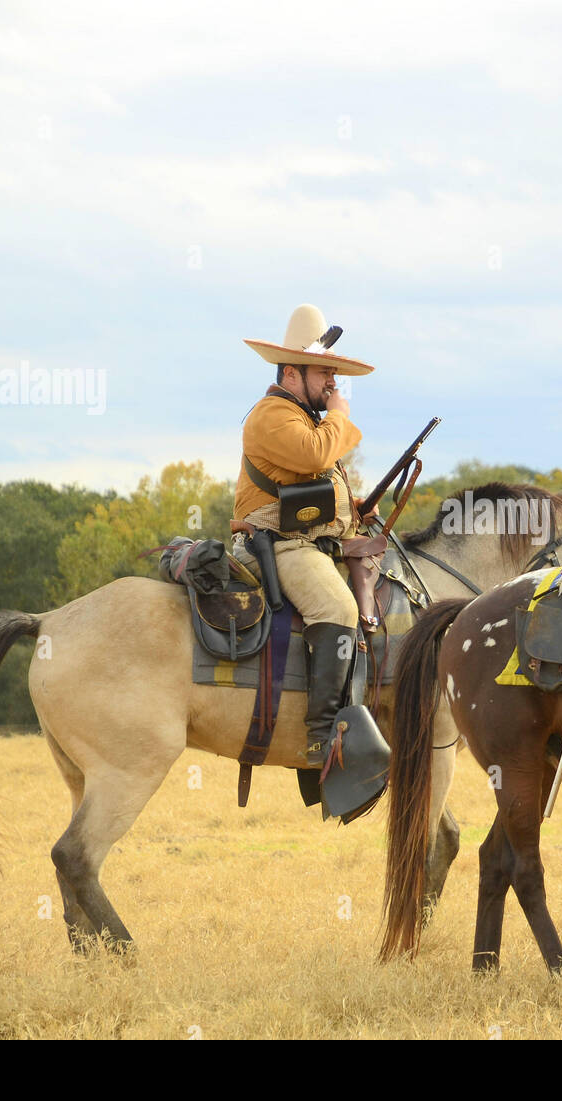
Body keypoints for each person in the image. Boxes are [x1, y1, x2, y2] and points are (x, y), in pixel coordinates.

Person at [234, 304, 373, 766]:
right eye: (324, 373)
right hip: (277, 545)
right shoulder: (273, 415)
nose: (333, 383)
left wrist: (349, 513)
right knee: (337, 606)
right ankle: (322, 737)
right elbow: (315, 456)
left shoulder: (299, 415)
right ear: (292, 373)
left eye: (333, 375)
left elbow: (307, 488)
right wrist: (340, 414)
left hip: (303, 541)